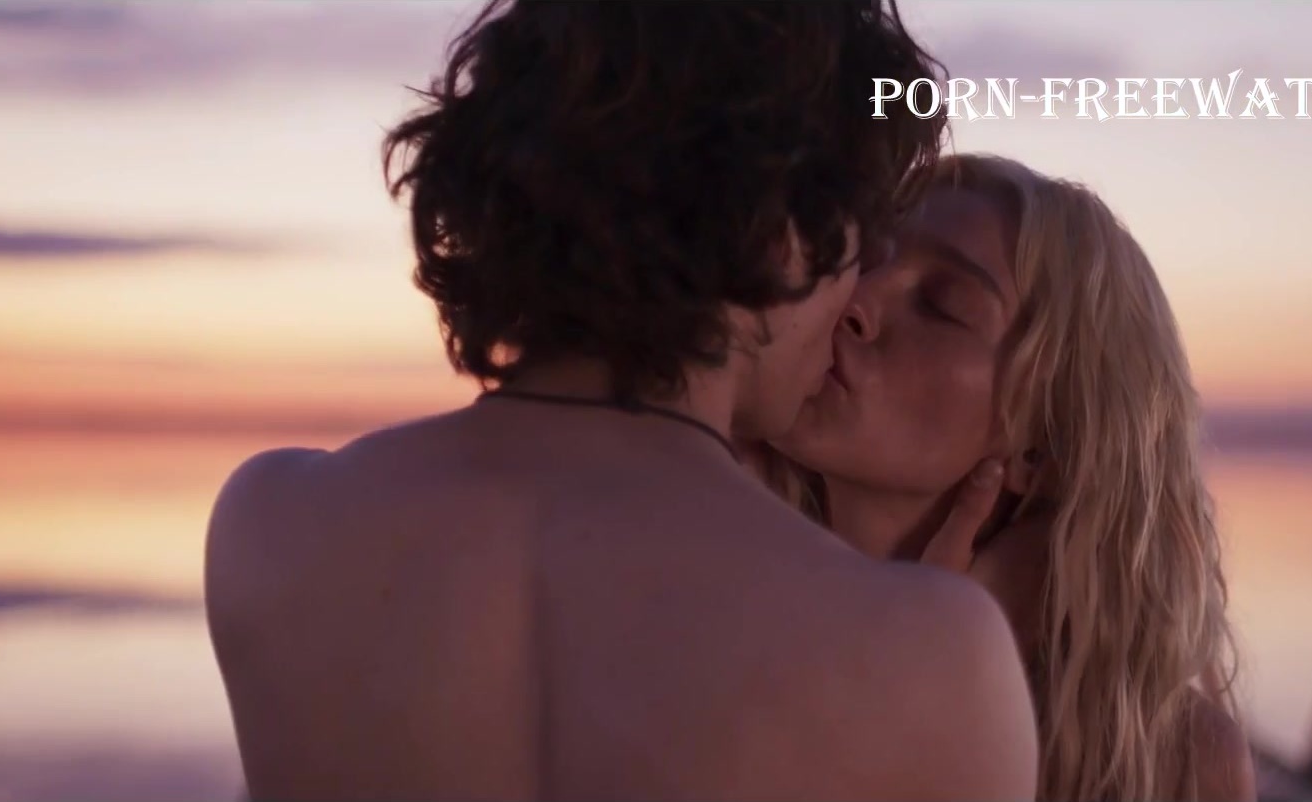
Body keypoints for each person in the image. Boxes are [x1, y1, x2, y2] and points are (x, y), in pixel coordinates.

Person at [204, 4, 1043, 800]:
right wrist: (911, 633)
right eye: (861, 234)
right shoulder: (929, 654)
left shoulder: (271, 519)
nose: (860, 286)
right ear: (781, 228)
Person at [756, 153, 1257, 801]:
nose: (855, 302)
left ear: (1039, 450)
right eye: (864, 262)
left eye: (941, 305)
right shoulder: (722, 627)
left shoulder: (1168, 762)